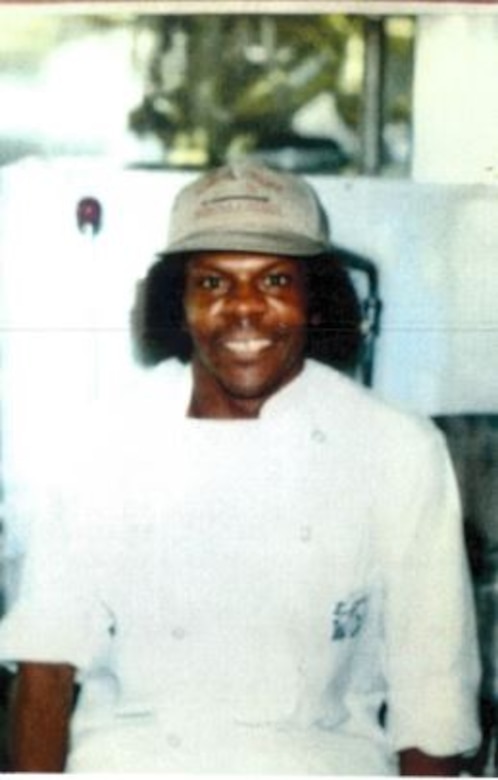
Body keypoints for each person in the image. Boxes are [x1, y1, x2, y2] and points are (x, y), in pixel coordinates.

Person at [0, 162, 481, 774]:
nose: (244, 309)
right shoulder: (103, 441)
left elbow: (432, 700)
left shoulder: (396, 448)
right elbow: (43, 670)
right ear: (180, 299)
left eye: (275, 279)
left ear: (315, 296)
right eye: (213, 283)